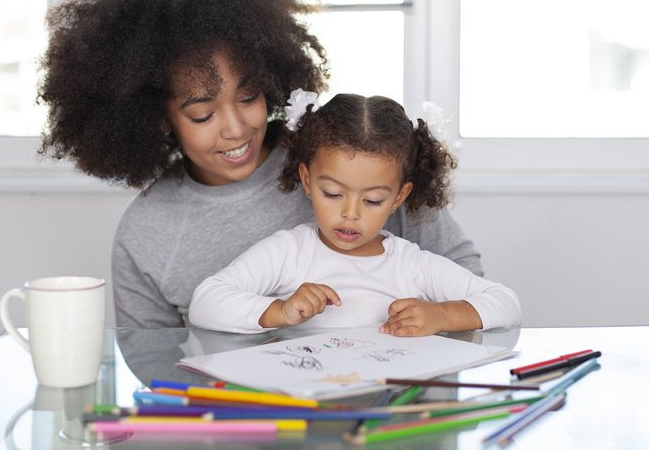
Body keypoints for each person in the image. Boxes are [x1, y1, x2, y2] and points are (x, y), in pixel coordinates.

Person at [37, 0, 485, 328]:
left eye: (248, 97)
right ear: (157, 118)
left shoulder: (347, 159)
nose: (236, 128)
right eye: (203, 113)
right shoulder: (146, 234)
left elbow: (463, 274)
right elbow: (153, 365)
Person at [189, 92, 522, 336]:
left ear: (399, 197)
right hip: (307, 411)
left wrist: (443, 315)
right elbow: (205, 302)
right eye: (333, 194)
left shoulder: (410, 265)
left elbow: (505, 303)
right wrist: (280, 311)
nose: (350, 214)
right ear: (307, 180)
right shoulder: (288, 252)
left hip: (385, 413)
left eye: (373, 200)